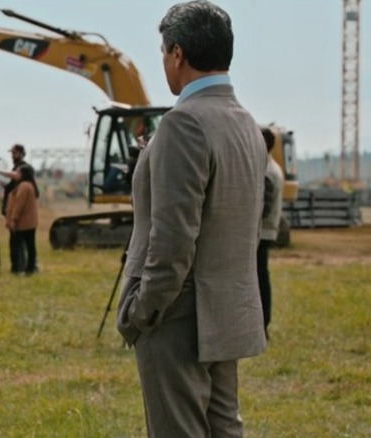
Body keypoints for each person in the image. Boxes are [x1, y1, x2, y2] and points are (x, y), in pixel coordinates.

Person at [115, 2, 268, 436]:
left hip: (179, 316)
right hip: (226, 311)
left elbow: (173, 239)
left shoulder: (185, 122)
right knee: (224, 428)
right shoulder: (245, 123)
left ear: (177, 54)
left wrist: (143, 309)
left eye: (163, 53)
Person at [0, 144, 34, 273]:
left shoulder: (25, 169)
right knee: (18, 242)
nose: (12, 156)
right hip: (15, 213)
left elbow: (14, 176)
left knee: (20, 243)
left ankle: (21, 267)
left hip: (21, 217)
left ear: (22, 153)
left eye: (15, 153)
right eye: (12, 153)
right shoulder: (19, 171)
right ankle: (21, 266)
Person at [258, 127, 284, 341]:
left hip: (261, 231)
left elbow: (262, 208)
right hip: (267, 230)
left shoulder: (266, 170)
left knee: (259, 279)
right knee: (260, 277)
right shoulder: (273, 167)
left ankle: (262, 324)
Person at [5, 165, 39, 275]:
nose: (16, 174)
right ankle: (30, 267)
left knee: (17, 245)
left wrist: (13, 219)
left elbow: (19, 204)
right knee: (30, 246)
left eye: (18, 173)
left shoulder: (24, 186)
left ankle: (19, 268)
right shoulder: (28, 185)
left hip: (23, 223)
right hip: (29, 222)